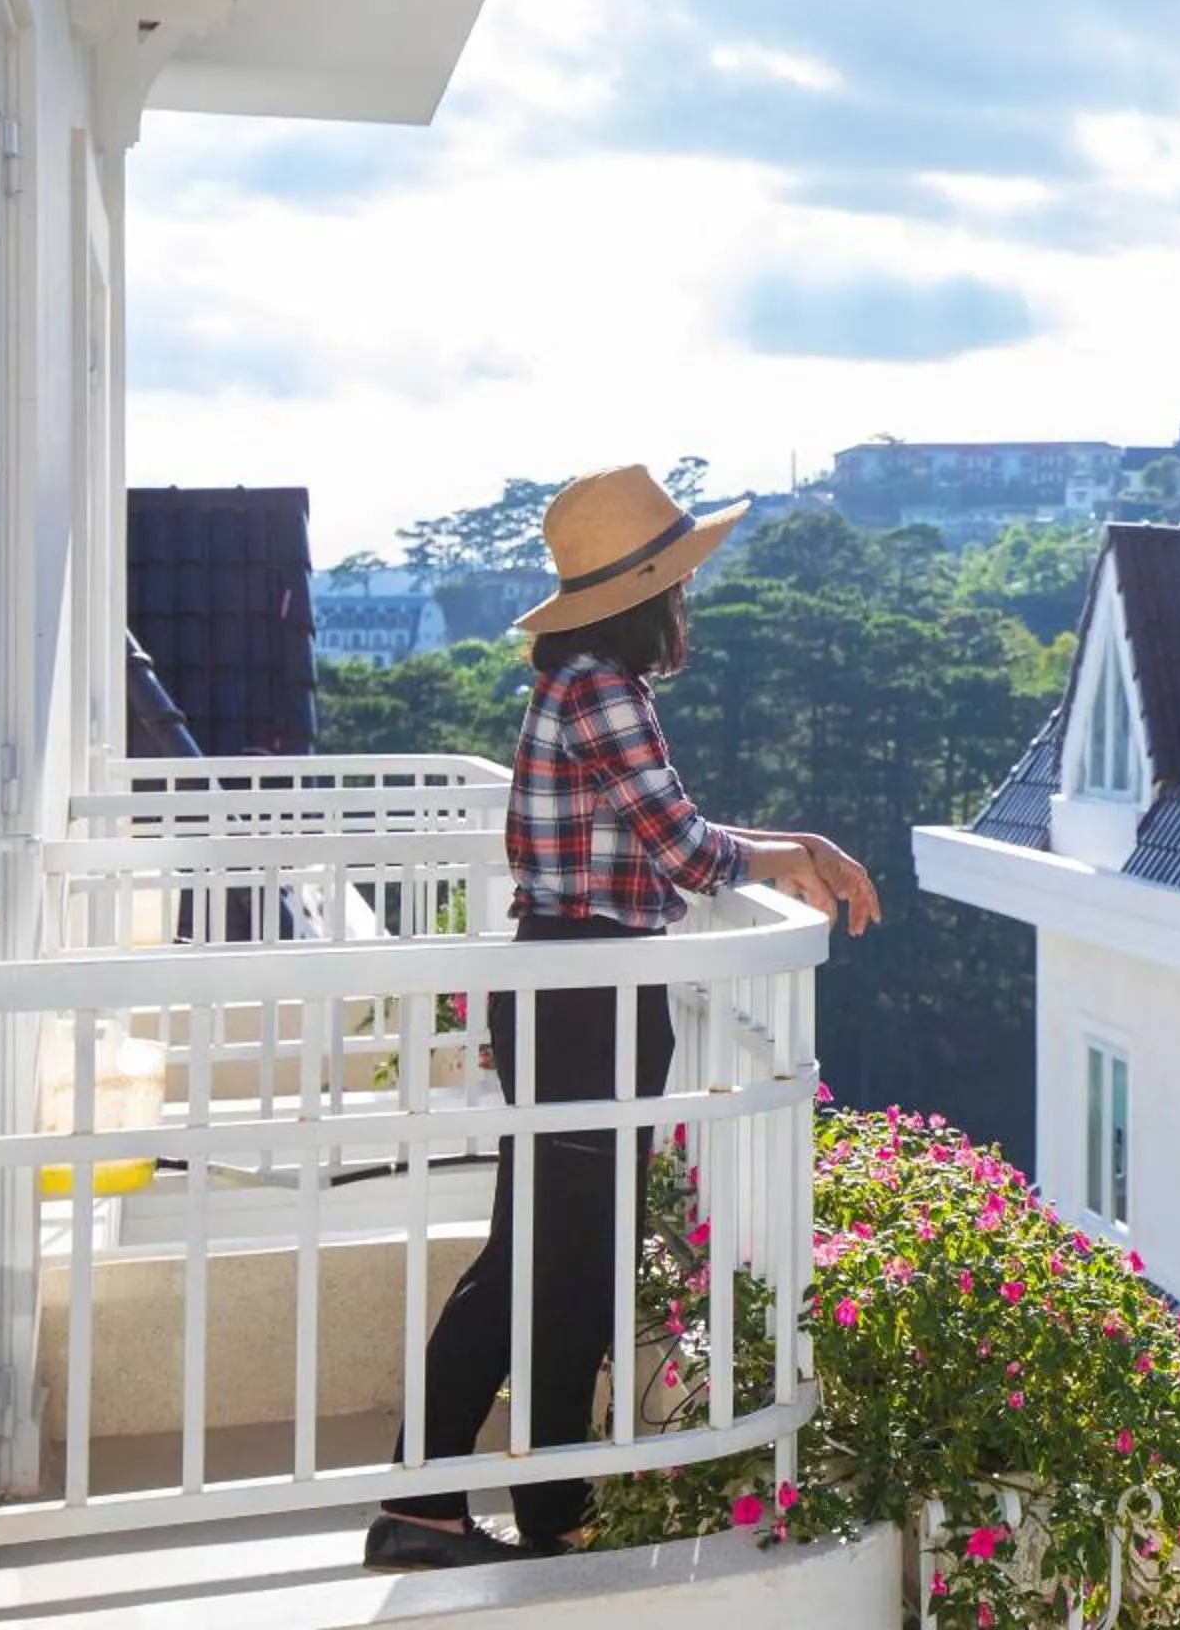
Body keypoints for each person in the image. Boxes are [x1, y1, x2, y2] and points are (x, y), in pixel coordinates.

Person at [364, 464, 881, 1570]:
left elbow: (666, 827)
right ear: (647, 596)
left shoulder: (577, 689)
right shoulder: (605, 690)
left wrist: (791, 843)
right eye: (678, 585)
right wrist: (800, 849)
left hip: (575, 983)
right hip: (589, 992)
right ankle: (431, 1502)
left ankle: (538, 1506)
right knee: (545, 1258)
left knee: (560, 1256)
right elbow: (688, 851)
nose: (686, 604)